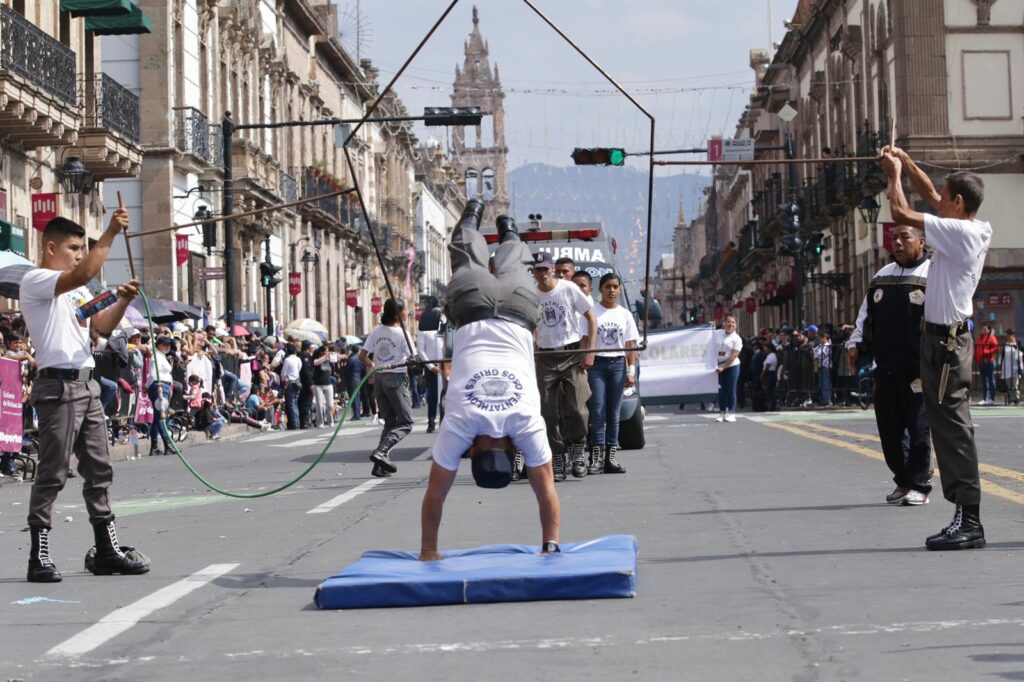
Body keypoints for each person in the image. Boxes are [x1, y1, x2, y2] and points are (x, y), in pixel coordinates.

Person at [419, 202, 559, 561]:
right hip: (472, 307)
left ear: (512, 452)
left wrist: (551, 546)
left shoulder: (525, 423)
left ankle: (510, 230)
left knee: (516, 263)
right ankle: (471, 218)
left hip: (518, 308)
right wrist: (428, 550)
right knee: (466, 258)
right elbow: (434, 494)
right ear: (473, 451)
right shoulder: (460, 425)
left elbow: (546, 492)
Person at [20, 212, 149, 582]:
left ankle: (107, 549)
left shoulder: (75, 291)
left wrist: (121, 300)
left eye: (82, 248)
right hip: (58, 385)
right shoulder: (38, 280)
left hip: (87, 382)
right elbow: (82, 274)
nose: (80, 255)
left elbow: (99, 325)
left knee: (98, 468)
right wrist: (109, 232)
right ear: (50, 247)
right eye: (74, 247)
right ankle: (38, 556)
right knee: (53, 470)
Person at [882, 145, 992, 550]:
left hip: (945, 344)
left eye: (946, 198)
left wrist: (893, 174)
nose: (938, 201)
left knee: (951, 431)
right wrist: (908, 161)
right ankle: (966, 516)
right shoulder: (966, 226)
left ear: (958, 203)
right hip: (941, 340)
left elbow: (901, 213)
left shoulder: (960, 232)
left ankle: (970, 520)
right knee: (947, 426)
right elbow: (929, 195)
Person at [847, 224, 933, 506]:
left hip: (919, 369)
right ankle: (903, 480)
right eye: (894, 238)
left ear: (921, 242)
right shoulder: (882, 276)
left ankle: (919, 484)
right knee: (890, 430)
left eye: (904, 237)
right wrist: (855, 343)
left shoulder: (933, 274)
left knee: (919, 429)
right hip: (886, 367)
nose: (897, 243)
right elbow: (865, 315)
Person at [533, 251, 597, 481]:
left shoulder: (568, 288)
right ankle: (557, 455)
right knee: (547, 411)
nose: (541, 274)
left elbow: (591, 317)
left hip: (571, 354)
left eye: (544, 269)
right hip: (547, 357)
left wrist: (590, 350)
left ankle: (578, 450)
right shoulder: (531, 294)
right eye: (537, 269)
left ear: (551, 268)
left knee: (578, 408)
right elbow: (528, 324)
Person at [585, 273, 638, 476]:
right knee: (598, 411)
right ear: (601, 289)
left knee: (614, 414)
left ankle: (611, 457)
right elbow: (585, 340)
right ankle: (597, 458)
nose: (612, 290)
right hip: (596, 365)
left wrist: (631, 371)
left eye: (615, 286)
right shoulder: (593, 313)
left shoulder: (624, 314)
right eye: (608, 286)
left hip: (617, 364)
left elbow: (630, 345)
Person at [360, 299, 415, 478]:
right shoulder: (402, 333)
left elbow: (363, 355)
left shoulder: (376, 331)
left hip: (380, 380)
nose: (407, 312)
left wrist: (375, 366)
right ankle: (382, 451)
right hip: (396, 378)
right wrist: (412, 362)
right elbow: (412, 358)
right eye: (405, 309)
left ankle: (379, 466)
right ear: (397, 314)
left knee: (390, 423)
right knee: (406, 422)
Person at [416, 301, 445, 434]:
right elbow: (420, 350)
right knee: (432, 396)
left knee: (448, 395)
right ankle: (431, 421)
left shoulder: (445, 325)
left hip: (446, 366)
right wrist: (430, 366)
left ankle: (446, 421)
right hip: (431, 368)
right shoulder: (423, 329)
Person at [711, 315, 742, 422]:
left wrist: (723, 367)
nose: (730, 324)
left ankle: (731, 413)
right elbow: (706, 334)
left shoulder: (737, 339)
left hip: (731, 365)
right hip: (719, 365)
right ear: (724, 323)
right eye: (728, 322)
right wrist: (708, 326)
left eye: (733, 322)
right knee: (721, 390)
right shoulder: (718, 333)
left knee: (731, 389)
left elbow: (734, 356)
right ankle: (722, 413)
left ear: (736, 325)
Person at [974, 324, 999, 406]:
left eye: (984, 329)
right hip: (981, 362)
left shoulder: (991, 338)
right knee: (984, 381)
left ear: (989, 330)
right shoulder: (979, 339)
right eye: (982, 328)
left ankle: (991, 398)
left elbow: (996, 348)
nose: (983, 330)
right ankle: (985, 398)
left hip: (989, 361)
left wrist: (987, 352)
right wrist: (975, 356)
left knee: (991, 380)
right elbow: (977, 348)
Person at [312, 345, 336, 428]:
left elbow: (335, 359)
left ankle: (330, 421)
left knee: (329, 404)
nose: (327, 352)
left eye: (328, 351)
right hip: (318, 385)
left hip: (328, 384)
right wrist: (325, 356)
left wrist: (333, 355)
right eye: (326, 351)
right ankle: (320, 422)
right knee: (319, 405)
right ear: (321, 352)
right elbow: (316, 362)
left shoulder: (329, 359)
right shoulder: (316, 359)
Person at [280, 344, 302, 429]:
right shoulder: (298, 359)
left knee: (291, 404)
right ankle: (297, 422)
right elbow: (299, 369)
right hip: (297, 382)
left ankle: (294, 424)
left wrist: (283, 379)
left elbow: (283, 374)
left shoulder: (287, 360)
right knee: (295, 403)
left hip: (290, 383)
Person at [1000, 329, 1022, 405]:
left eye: (1008, 335)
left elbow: (1021, 353)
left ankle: (1016, 398)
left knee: (1015, 384)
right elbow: (1002, 356)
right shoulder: (1005, 344)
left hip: (1015, 367)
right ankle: (1011, 399)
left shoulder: (1018, 343)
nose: (1007, 337)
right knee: (1009, 384)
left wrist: (1015, 346)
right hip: (1006, 367)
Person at [814, 328, 833, 407]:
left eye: (822, 338)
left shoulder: (827, 346)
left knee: (825, 383)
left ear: (826, 338)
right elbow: (814, 352)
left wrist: (816, 354)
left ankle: (827, 400)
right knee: (820, 383)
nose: (820, 339)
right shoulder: (820, 346)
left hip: (826, 366)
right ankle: (822, 399)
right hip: (820, 366)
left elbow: (820, 354)